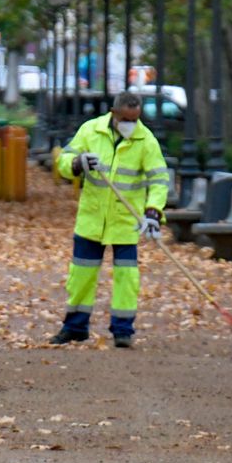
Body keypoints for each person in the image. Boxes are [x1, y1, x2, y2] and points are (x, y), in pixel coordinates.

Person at [50, 90, 169, 349]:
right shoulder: (90, 130)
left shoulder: (145, 140)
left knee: (127, 278)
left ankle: (123, 330)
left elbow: (159, 180)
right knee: (81, 275)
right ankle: (75, 327)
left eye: (135, 119)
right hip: (91, 219)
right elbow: (63, 161)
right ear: (114, 113)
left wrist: (153, 213)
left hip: (126, 221)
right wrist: (79, 163)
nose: (131, 124)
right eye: (126, 119)